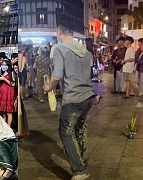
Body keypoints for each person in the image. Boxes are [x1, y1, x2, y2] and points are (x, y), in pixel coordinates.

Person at [44, 24, 96, 180]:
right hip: (88, 97)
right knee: (80, 129)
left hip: (73, 98)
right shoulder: (86, 51)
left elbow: (57, 75)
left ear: (59, 32)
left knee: (66, 133)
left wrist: (48, 87)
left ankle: (80, 170)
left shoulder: (61, 49)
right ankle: (81, 158)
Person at [0, 60, 17, 126]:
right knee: (3, 112)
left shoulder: (11, 73)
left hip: (9, 93)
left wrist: (4, 79)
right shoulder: (1, 73)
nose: (4, 66)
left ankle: (8, 127)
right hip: (2, 93)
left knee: (9, 112)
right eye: (3, 65)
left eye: (5, 65)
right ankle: (3, 126)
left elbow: (13, 84)